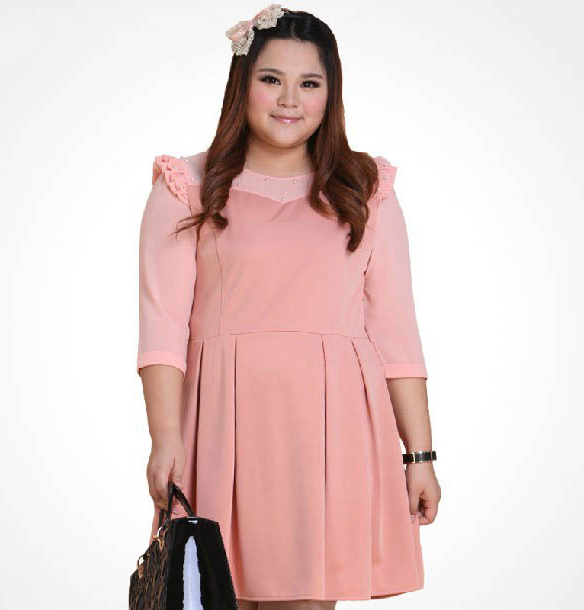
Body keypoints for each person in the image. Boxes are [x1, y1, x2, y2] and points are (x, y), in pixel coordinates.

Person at [136, 4, 441, 608]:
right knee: (216, 593)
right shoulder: (188, 186)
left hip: (334, 432)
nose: (289, 100)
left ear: (332, 93)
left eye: (309, 83)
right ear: (242, 82)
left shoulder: (365, 190)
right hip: (222, 427)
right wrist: (165, 437)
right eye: (272, 79)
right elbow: (162, 329)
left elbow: (396, 334)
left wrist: (421, 455)